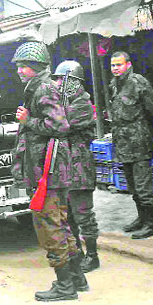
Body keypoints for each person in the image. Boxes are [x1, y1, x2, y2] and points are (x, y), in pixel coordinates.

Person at [10, 42, 88, 302]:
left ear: (37, 67)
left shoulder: (42, 88)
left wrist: (27, 121)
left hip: (48, 171)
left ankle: (65, 286)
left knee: (49, 226)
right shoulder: (39, 87)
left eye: (24, 66)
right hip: (49, 170)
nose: (20, 71)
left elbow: (58, 125)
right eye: (19, 66)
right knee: (61, 223)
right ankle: (77, 278)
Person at [51, 60, 100, 273]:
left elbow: (60, 125)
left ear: (74, 81)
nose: (58, 83)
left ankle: (93, 255)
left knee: (84, 215)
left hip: (80, 166)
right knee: (68, 215)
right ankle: (77, 254)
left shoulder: (82, 104)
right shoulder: (63, 102)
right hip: (66, 166)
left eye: (62, 79)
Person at [109, 51, 153, 239]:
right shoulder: (114, 85)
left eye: (119, 65)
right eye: (113, 65)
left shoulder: (138, 82)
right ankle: (142, 218)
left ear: (128, 64)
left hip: (139, 142)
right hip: (123, 144)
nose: (115, 68)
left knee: (143, 185)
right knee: (132, 185)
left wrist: (148, 127)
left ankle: (151, 223)